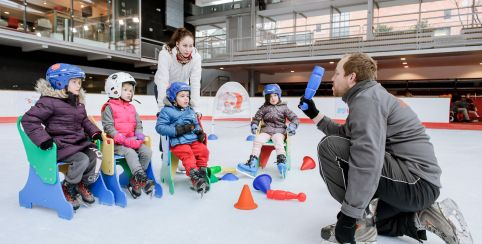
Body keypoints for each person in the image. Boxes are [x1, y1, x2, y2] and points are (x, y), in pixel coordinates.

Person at [298, 53, 473, 243]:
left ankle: (360, 222)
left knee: (329, 147)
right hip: (418, 184)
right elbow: (346, 136)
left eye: (337, 73)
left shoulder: (367, 100)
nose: (332, 78)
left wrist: (349, 216)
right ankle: (420, 217)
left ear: (351, 77)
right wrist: (314, 113)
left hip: (415, 183)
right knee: (377, 220)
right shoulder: (368, 96)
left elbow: (367, 159)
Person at [21, 63, 103, 210]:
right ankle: (68, 186)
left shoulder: (78, 103)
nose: (79, 85)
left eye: (79, 82)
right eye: (74, 82)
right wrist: (43, 140)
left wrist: (94, 131)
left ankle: (80, 183)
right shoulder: (49, 101)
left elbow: (84, 120)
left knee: (97, 155)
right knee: (82, 159)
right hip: (61, 145)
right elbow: (29, 120)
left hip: (78, 143)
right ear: (60, 82)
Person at [154, 27, 202, 174]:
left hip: (182, 90)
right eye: (184, 45)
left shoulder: (196, 58)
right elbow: (163, 79)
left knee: (185, 121)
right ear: (177, 44)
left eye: (191, 46)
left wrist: (195, 106)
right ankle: (166, 155)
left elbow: (195, 81)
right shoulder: (166, 54)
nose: (188, 49)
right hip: (165, 90)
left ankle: (184, 156)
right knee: (169, 120)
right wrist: (162, 106)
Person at [101, 72, 154, 199]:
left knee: (147, 152)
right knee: (130, 153)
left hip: (132, 140)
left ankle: (134, 181)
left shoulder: (132, 107)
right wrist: (121, 139)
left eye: (131, 90)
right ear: (114, 90)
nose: (129, 92)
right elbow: (108, 127)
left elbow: (138, 123)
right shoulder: (109, 107)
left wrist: (139, 133)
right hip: (117, 144)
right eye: (125, 89)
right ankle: (141, 177)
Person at [155, 82, 209, 194]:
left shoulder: (190, 110)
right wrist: (176, 130)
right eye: (182, 96)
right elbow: (160, 127)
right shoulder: (166, 111)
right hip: (178, 142)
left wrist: (199, 131)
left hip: (192, 139)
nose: (186, 99)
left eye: (187, 96)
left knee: (204, 150)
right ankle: (194, 175)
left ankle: (201, 171)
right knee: (187, 154)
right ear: (173, 98)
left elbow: (195, 123)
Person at [237, 84, 299, 178]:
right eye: (270, 96)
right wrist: (254, 125)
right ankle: (252, 164)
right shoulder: (264, 108)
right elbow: (256, 118)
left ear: (279, 95)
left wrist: (293, 125)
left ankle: (281, 162)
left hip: (279, 131)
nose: (273, 98)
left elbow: (294, 118)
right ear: (266, 98)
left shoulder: (284, 107)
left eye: (275, 95)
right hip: (266, 130)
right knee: (257, 140)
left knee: (278, 141)